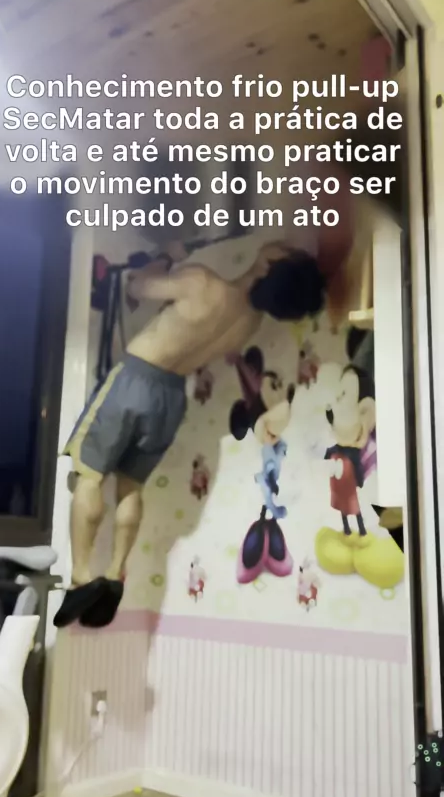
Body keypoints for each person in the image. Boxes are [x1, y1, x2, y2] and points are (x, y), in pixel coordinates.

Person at [53, 239, 336, 629]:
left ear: (272, 259)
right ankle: (115, 573)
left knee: (89, 475)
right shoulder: (249, 323)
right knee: (131, 485)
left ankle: (81, 578)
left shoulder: (203, 283)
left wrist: (166, 258)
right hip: (172, 399)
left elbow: (137, 285)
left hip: (135, 378)